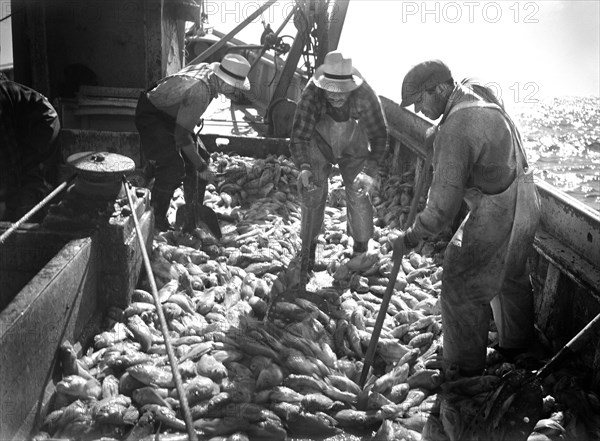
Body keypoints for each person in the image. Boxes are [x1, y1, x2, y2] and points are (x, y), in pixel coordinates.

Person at [393, 60, 541, 377]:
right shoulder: (474, 89)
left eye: (420, 100)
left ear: (441, 89)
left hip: (499, 206)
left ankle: (464, 371)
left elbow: (442, 207)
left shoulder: (455, 130)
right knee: (511, 274)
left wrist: (410, 238)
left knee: (460, 285)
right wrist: (440, 133)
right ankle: (518, 348)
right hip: (527, 193)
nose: (418, 110)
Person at [290, 50, 388, 269]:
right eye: (330, 92)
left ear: (351, 88)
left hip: (354, 144)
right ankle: (309, 247)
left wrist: (369, 172)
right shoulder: (311, 95)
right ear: (322, 86)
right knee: (312, 189)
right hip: (319, 143)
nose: (335, 96)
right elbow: (299, 136)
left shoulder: (365, 95)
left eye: (341, 92)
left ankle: (360, 248)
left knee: (359, 192)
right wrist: (304, 167)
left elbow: (379, 135)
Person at [135, 53, 251, 232]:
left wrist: (200, 162)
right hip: (153, 115)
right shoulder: (201, 91)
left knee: (202, 155)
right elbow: (181, 137)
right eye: (235, 87)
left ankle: (193, 211)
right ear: (222, 80)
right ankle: (156, 217)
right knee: (173, 167)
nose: (237, 93)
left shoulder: (210, 75)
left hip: (171, 112)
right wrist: (202, 167)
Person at [0, 78, 61, 222]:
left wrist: (3, 199)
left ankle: (28, 220)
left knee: (26, 176)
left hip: (42, 125)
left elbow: (9, 154)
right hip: (22, 125)